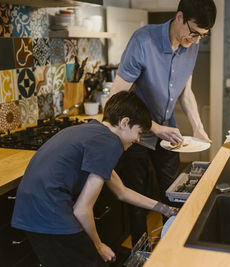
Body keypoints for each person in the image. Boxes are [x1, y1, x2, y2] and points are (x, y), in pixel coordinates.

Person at [11, 91, 178, 267]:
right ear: (124, 122)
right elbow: (82, 209)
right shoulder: (110, 143)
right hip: (49, 210)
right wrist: (98, 246)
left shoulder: (94, 132)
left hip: (31, 209)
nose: (137, 139)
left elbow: (121, 191)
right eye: (139, 132)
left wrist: (164, 209)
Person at [110, 0, 217, 246]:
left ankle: (170, 250)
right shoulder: (143, 40)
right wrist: (155, 128)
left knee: (173, 194)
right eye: (194, 33)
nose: (197, 40)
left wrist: (198, 127)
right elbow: (117, 97)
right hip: (135, 132)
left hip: (167, 131)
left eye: (203, 36)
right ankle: (141, 255)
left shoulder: (191, 44)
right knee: (138, 202)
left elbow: (186, 92)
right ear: (180, 17)